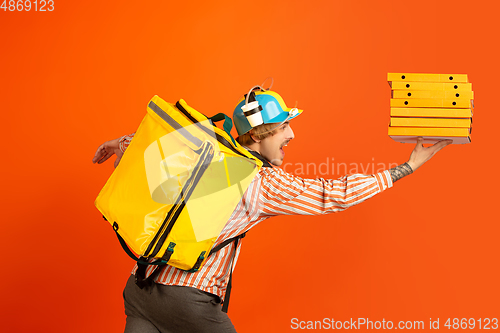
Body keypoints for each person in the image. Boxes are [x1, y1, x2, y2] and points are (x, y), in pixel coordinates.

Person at [93, 86, 452, 333]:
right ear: (259, 134)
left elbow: (153, 148)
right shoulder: (258, 181)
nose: (291, 134)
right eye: (282, 127)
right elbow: (332, 194)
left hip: (140, 288)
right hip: (188, 301)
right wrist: (405, 169)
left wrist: (119, 142)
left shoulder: (204, 155)